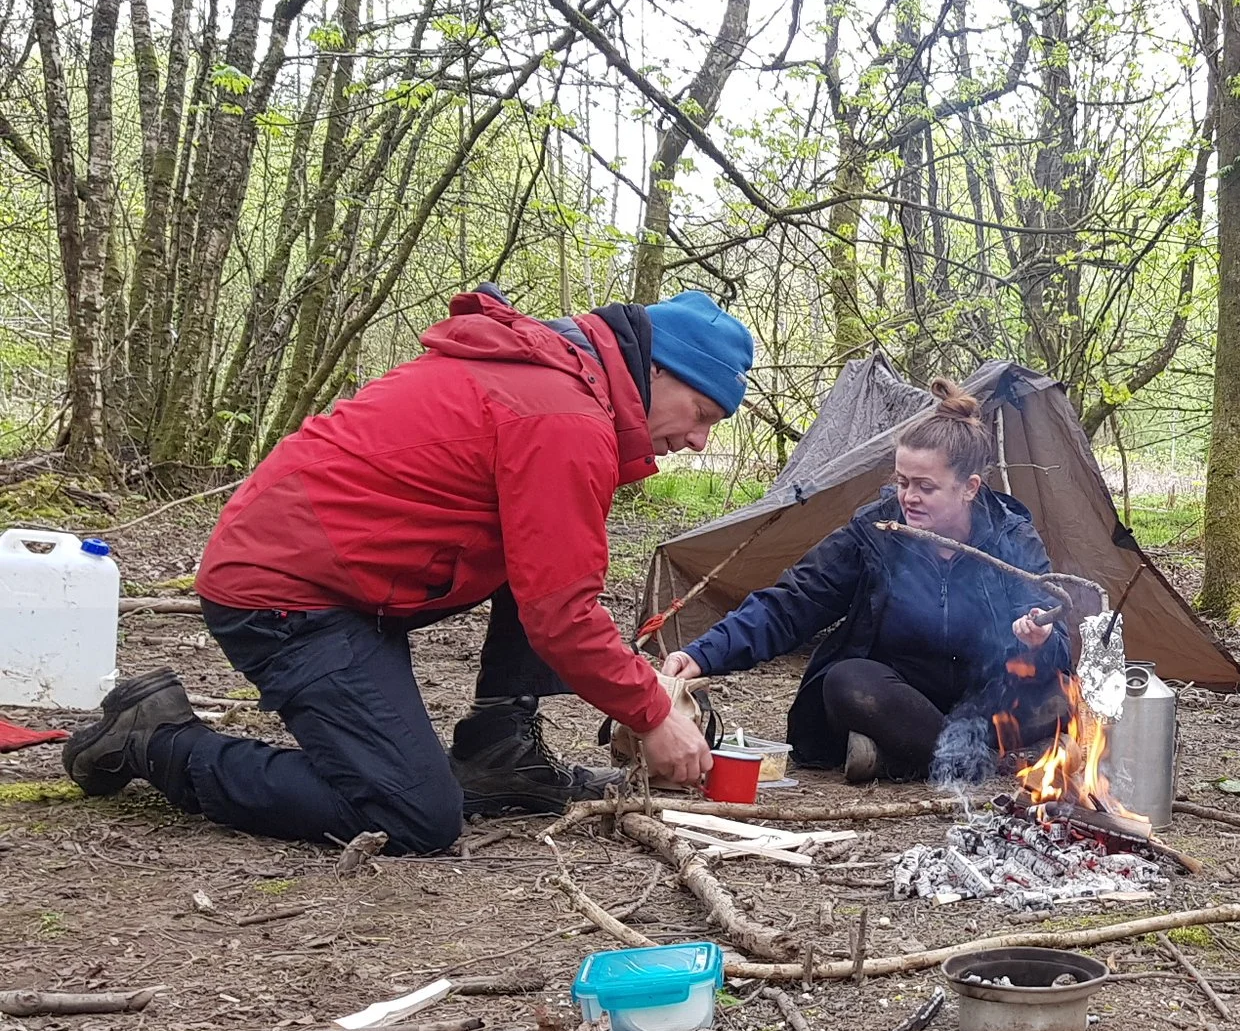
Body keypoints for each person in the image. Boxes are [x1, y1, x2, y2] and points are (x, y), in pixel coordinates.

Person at [61, 287, 743, 854]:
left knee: (544, 551)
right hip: (284, 594)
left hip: (347, 581)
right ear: (656, 370)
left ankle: (499, 751)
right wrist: (653, 713)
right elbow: (559, 613)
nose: (697, 440)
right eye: (701, 413)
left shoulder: (560, 387)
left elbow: (553, 578)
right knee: (415, 817)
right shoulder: (561, 413)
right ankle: (159, 741)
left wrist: (633, 689)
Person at [660, 379, 1070, 783]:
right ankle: (964, 760)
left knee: (1056, 695)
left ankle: (899, 756)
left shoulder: (1010, 537)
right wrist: (704, 654)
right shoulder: (876, 531)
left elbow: (1052, 631)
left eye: (926, 487)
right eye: (902, 481)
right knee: (848, 680)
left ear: (969, 488)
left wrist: (1040, 637)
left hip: (983, 701)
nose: (909, 497)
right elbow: (792, 603)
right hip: (895, 696)